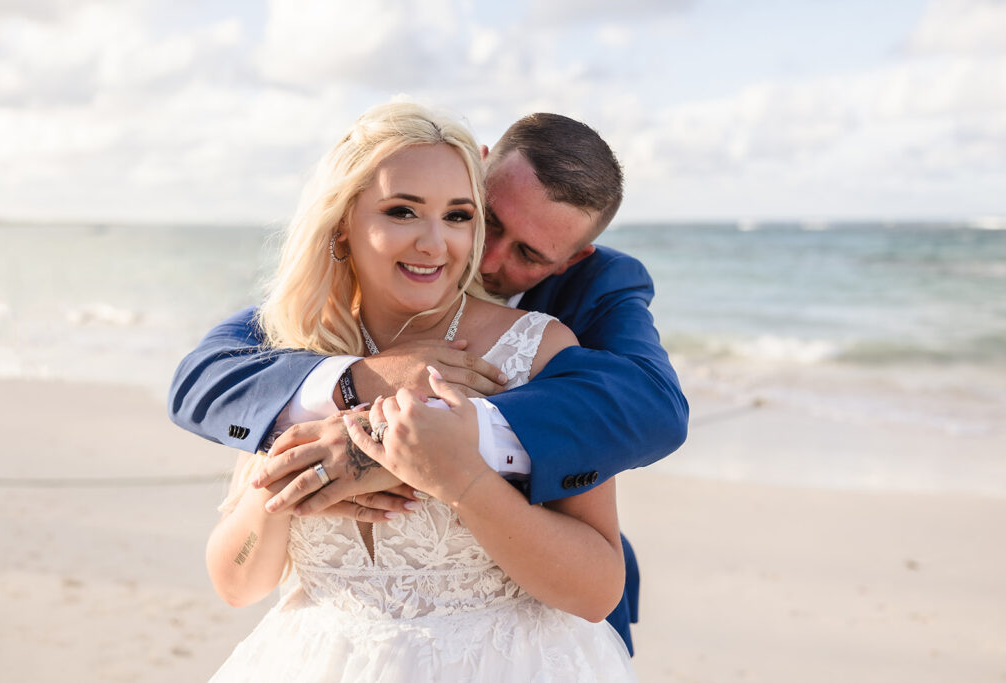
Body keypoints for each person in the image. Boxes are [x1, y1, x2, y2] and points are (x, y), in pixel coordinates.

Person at [169, 111, 689, 653]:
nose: (476, 254)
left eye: (528, 254)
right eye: (484, 216)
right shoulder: (297, 349)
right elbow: (204, 381)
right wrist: (360, 383)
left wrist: (415, 445)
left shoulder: (555, 340)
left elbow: (650, 406)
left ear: (571, 260)